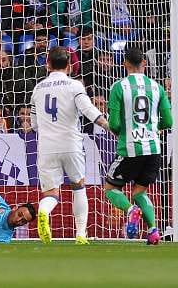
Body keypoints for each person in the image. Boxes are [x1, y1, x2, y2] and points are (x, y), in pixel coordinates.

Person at [32, 46, 110, 245]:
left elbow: (33, 125)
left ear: (47, 64)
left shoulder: (38, 89)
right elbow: (88, 110)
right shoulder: (75, 86)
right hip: (71, 144)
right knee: (78, 186)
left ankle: (43, 210)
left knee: (50, 194)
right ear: (69, 66)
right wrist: (108, 126)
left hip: (47, 147)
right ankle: (81, 234)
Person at [104, 47, 173, 245]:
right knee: (139, 192)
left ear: (124, 63)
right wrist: (154, 128)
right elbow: (168, 121)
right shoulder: (157, 87)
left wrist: (121, 132)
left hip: (130, 148)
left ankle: (130, 210)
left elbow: (115, 124)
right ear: (144, 63)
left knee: (110, 188)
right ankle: (153, 231)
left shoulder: (118, 87)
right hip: (153, 150)